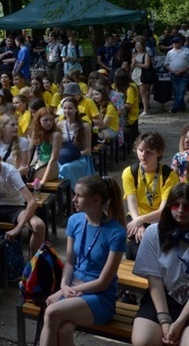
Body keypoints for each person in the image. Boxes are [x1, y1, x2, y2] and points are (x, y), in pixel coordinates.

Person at [40, 175, 126, 346]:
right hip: (73, 290)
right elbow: (70, 262)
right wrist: (63, 287)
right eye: (75, 194)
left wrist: (66, 291)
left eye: (79, 195)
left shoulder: (116, 233)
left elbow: (103, 282)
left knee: (51, 313)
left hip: (99, 297)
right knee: (63, 330)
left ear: (96, 200)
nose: (74, 199)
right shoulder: (75, 221)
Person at [131, 183, 189, 346]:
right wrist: (165, 321)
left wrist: (178, 323)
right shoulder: (153, 232)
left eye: (187, 206)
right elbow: (154, 279)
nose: (180, 210)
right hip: (161, 298)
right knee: (143, 340)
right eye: (176, 205)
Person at [0, 144, 46, 254]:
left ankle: (34, 261)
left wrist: (18, 228)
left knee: (39, 226)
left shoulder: (11, 172)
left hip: (15, 207)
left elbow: (32, 202)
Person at [122, 132, 179, 260]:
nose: (143, 155)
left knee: (146, 250)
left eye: (149, 152)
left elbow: (163, 210)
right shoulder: (130, 172)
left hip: (159, 219)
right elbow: (131, 203)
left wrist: (141, 221)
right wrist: (138, 222)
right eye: (140, 150)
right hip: (136, 216)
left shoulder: (169, 176)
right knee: (134, 247)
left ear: (158, 153)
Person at [28, 107, 62, 185]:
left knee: (32, 179)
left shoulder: (55, 135)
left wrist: (43, 180)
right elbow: (30, 151)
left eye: (51, 120)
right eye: (45, 120)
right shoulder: (36, 132)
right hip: (37, 163)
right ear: (39, 121)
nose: (49, 123)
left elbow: (53, 159)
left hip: (50, 167)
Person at [164, 36, 189, 114]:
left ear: (181, 43)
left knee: (181, 91)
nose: (175, 44)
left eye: (177, 42)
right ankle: (182, 107)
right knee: (177, 91)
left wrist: (183, 70)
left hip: (184, 74)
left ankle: (175, 108)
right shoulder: (170, 52)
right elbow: (166, 64)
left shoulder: (187, 51)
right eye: (174, 43)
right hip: (173, 74)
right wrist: (172, 71)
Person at [131, 38, 154, 116]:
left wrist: (136, 64)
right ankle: (136, 109)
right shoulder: (134, 54)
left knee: (143, 93)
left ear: (143, 46)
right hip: (135, 74)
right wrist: (133, 64)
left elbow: (147, 65)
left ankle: (145, 110)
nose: (137, 47)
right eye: (136, 45)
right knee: (135, 93)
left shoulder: (146, 54)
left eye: (139, 45)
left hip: (142, 74)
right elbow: (132, 66)